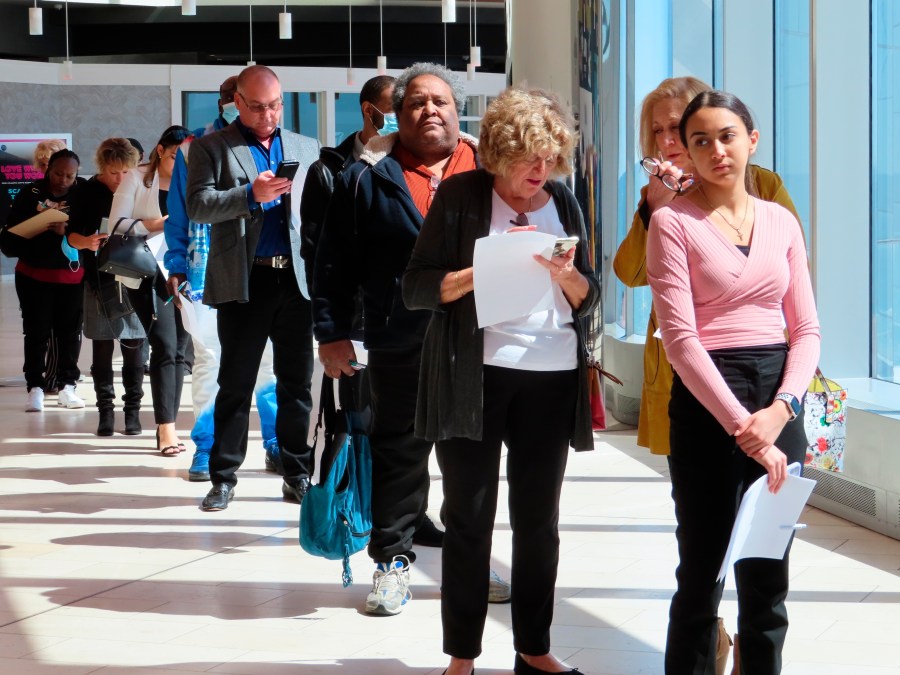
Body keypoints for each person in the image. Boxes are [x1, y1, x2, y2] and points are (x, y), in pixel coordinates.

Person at [403, 87, 597, 675]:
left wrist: (567, 278)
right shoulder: (462, 197)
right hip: (475, 378)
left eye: (550, 158)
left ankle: (534, 650)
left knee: (540, 522)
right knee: (469, 517)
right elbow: (416, 287)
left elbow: (590, 297)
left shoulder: (561, 198)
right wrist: (475, 273)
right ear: (498, 153)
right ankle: (461, 657)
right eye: (529, 158)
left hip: (552, 378)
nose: (541, 171)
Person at [313, 62, 510, 616]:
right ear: (397, 115)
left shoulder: (492, 172)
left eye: (441, 101)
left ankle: (471, 566)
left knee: (472, 462)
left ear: (458, 110)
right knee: (399, 453)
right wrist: (331, 333)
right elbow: (334, 264)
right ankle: (392, 564)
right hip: (400, 339)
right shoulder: (365, 177)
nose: (430, 110)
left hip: (483, 341)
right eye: (417, 102)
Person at [645, 90, 820, 674]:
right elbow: (681, 341)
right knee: (702, 573)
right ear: (686, 154)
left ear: (752, 140)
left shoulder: (781, 221)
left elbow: (808, 328)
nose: (716, 150)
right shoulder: (671, 223)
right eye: (700, 141)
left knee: (768, 576)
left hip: (778, 400)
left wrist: (781, 410)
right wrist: (745, 428)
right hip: (706, 403)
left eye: (726, 135)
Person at [613, 76, 800, 457]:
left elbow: (795, 273)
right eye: (658, 131)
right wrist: (653, 209)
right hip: (684, 358)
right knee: (697, 485)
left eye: (676, 127)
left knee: (765, 494)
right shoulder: (658, 196)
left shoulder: (762, 185)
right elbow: (629, 274)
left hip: (763, 357)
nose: (668, 140)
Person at [185, 64, 319, 511]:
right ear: (237, 103)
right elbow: (199, 206)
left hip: (296, 279)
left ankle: (298, 472)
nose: (269, 115)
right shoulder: (210, 147)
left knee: (297, 384)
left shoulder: (305, 146)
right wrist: (249, 197)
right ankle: (223, 476)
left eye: (276, 105)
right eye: (258, 106)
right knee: (236, 381)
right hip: (246, 279)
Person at [166, 73, 282, 482]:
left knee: (269, 364)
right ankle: (207, 446)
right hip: (204, 270)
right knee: (210, 361)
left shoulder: (274, 141)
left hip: (262, 271)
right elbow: (182, 211)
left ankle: (274, 442)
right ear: (231, 101)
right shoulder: (194, 147)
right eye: (231, 100)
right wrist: (177, 265)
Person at [109, 125, 192, 453]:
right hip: (145, 270)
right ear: (160, 151)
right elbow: (117, 224)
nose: (181, 163)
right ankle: (165, 427)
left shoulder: (193, 178)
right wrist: (158, 224)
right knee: (165, 345)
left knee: (181, 351)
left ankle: (169, 420)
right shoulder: (137, 177)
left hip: (184, 270)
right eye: (175, 156)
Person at [67, 138, 144, 436]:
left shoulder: (140, 185)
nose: (121, 179)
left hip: (134, 274)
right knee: (101, 344)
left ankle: (133, 412)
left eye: (126, 172)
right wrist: (86, 242)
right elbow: (71, 235)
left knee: (135, 345)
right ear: (102, 168)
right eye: (114, 173)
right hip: (98, 277)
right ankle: (105, 413)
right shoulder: (86, 191)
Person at [0, 149, 86, 413]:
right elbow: (12, 232)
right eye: (59, 173)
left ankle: (67, 386)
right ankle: (35, 387)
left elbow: (93, 227)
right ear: (49, 170)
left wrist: (67, 230)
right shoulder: (31, 192)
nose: (63, 180)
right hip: (33, 274)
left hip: (71, 274)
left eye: (70, 175)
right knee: (36, 332)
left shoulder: (83, 193)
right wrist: (37, 224)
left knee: (69, 333)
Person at [299, 74, 396, 294]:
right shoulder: (327, 171)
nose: (400, 117)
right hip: (352, 307)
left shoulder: (413, 164)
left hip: (403, 304)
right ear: (368, 110)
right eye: (393, 109)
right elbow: (314, 248)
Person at [31, 138, 69, 395]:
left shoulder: (77, 190)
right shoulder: (33, 191)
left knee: (61, 328)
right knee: (38, 327)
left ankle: (56, 377)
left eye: (51, 164)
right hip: (37, 265)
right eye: (43, 164)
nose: (46, 169)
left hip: (67, 266)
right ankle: (39, 376)